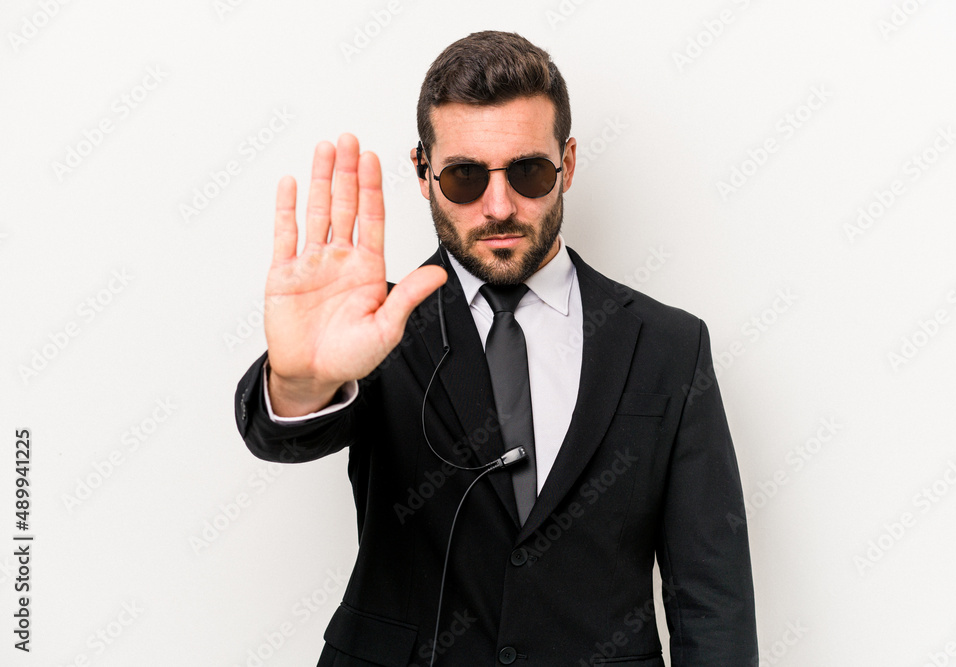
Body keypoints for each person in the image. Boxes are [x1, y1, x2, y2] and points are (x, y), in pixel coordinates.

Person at [235, 30, 757, 667]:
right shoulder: (373, 327)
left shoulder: (669, 345)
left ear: (566, 164)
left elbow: (712, 595)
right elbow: (282, 433)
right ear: (423, 173)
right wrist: (298, 383)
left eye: (529, 172)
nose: (500, 205)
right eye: (464, 177)